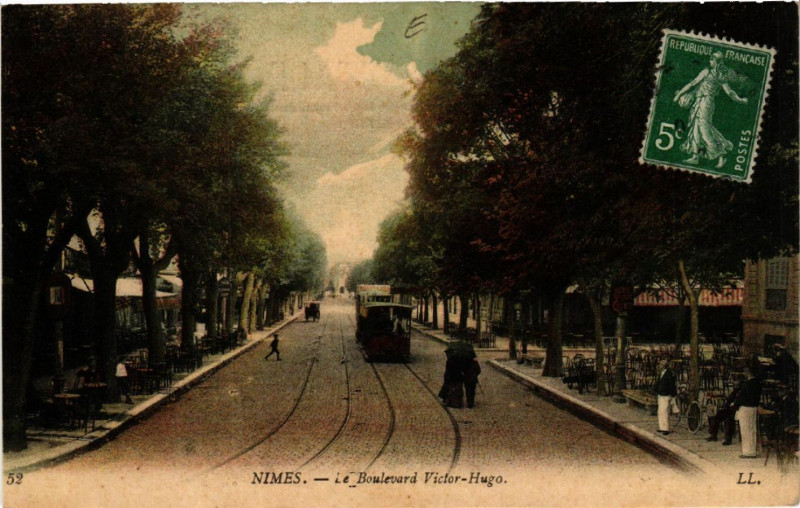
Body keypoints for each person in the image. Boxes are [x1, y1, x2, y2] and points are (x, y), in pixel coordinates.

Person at [673, 51, 748, 168]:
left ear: (717, 61)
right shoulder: (713, 74)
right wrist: (679, 94)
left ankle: (721, 154)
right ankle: (695, 156)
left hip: (706, 102)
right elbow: (693, 84)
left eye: (712, 59)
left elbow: (729, 92)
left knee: (704, 128)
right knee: (695, 127)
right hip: (699, 101)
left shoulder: (712, 73)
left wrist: (740, 100)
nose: (709, 61)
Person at [733, 364, 762, 458]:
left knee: (745, 430)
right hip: (753, 408)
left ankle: (748, 452)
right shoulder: (757, 383)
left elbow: (742, 397)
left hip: (745, 408)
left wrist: (735, 404)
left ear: (749, 372)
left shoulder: (747, 384)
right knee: (752, 429)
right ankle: (752, 450)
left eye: (746, 371)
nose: (744, 373)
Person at [706, 378, 742, 445]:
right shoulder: (734, 392)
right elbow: (729, 401)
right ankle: (713, 435)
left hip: (737, 409)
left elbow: (740, 401)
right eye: (735, 385)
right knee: (717, 415)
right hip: (729, 409)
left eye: (737, 385)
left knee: (728, 419)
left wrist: (734, 404)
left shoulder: (742, 392)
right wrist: (727, 406)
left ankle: (728, 439)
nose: (736, 386)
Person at [654, 359, 677, 435]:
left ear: (664, 366)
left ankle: (666, 429)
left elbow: (671, 385)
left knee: (664, 412)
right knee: (660, 412)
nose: (659, 366)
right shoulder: (661, 373)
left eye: (660, 365)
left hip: (666, 395)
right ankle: (662, 428)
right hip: (661, 394)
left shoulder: (668, 374)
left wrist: (672, 395)